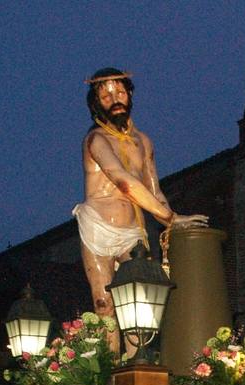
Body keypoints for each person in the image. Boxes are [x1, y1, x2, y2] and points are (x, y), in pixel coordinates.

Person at [74, 68, 207, 352]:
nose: (115, 99)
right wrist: (169, 218)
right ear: (96, 102)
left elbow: (154, 189)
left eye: (120, 92)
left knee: (140, 301)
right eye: (107, 95)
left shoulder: (143, 142)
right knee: (104, 304)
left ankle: (137, 369)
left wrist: (173, 219)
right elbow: (123, 181)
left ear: (130, 95)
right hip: (98, 225)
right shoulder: (96, 139)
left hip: (132, 230)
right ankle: (109, 375)